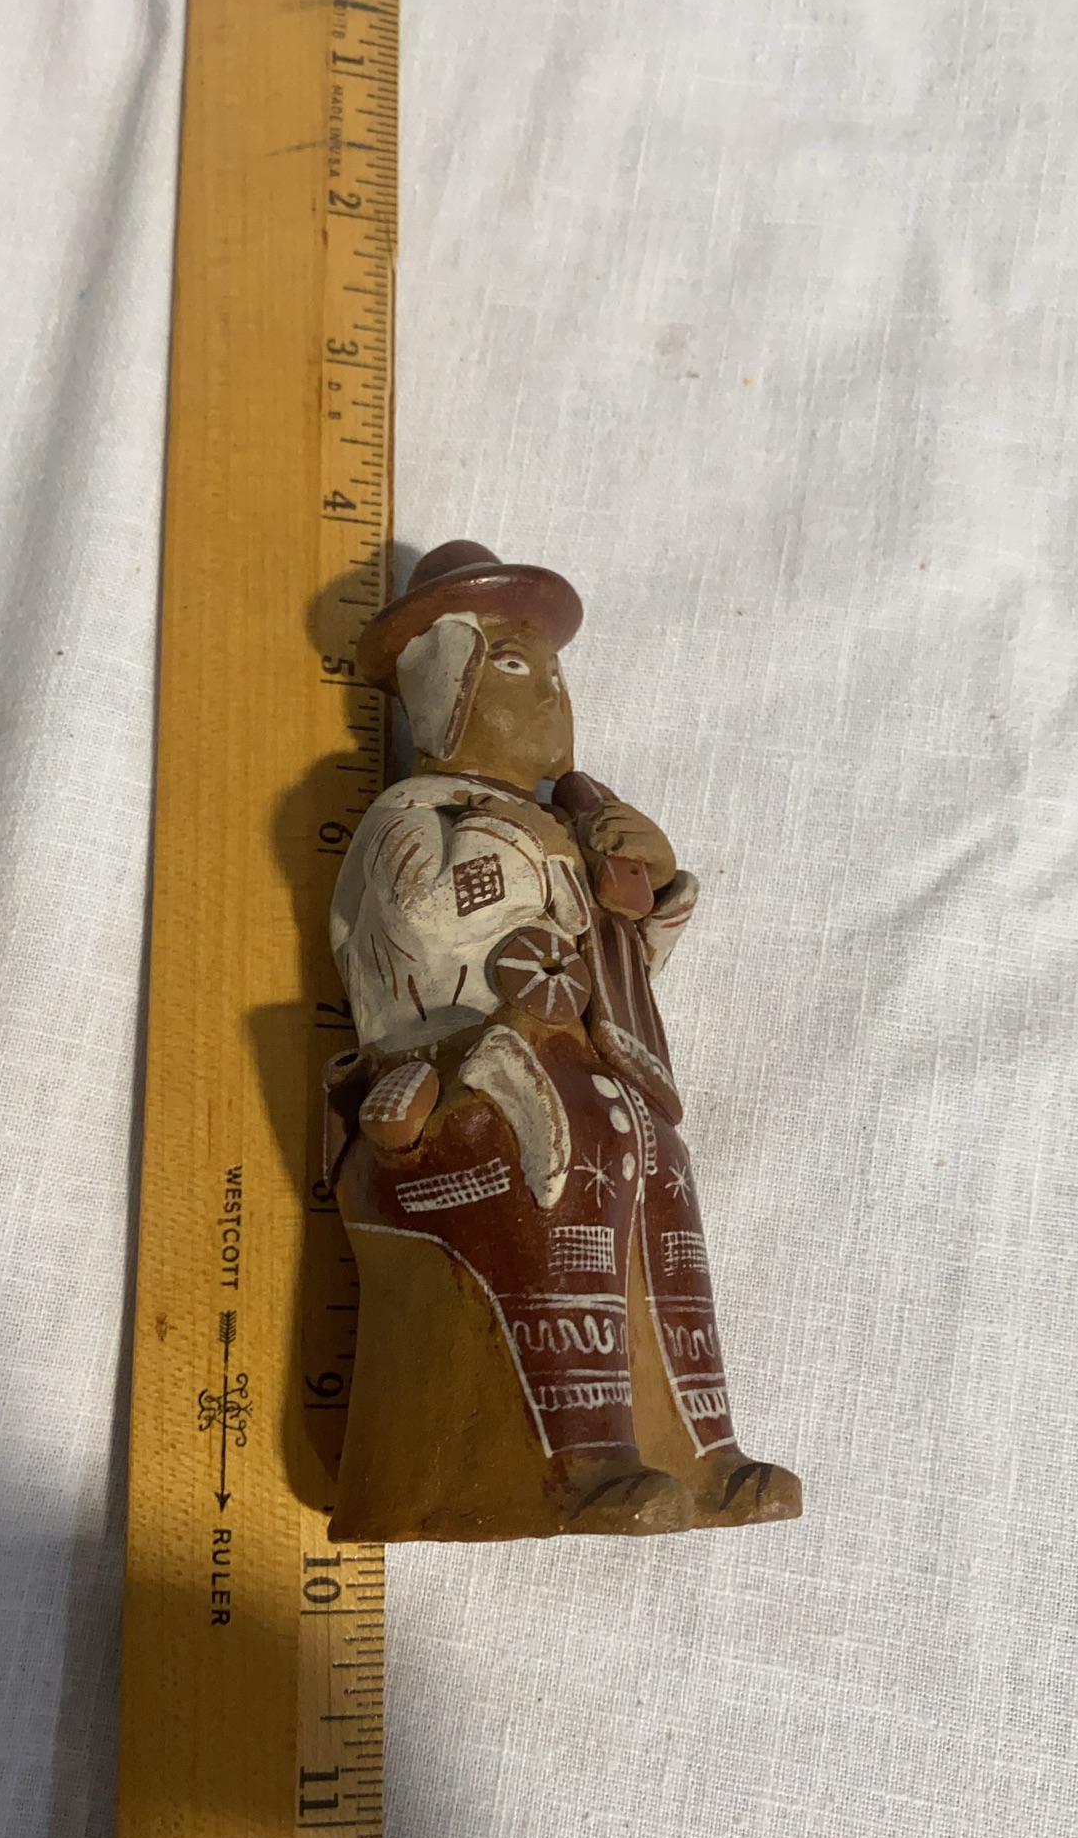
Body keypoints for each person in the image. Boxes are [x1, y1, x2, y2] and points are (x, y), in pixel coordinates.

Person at [324, 541, 801, 1541]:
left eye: (553, 673)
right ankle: (577, 1458)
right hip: (452, 1065)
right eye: (513, 667)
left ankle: (700, 1453)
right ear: (446, 692)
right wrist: (528, 844)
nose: (548, 692)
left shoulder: (560, 833)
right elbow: (420, 919)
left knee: (658, 1160)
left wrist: (642, 891)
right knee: (567, 1141)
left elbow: (602, 974)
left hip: (574, 1063)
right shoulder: (410, 815)